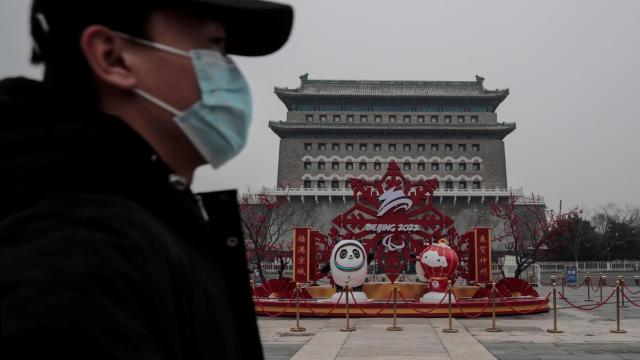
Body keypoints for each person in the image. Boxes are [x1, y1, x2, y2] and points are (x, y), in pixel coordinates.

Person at [0, 0, 293, 359]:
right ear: (113, 58)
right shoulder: (83, 256)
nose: (230, 72)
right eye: (214, 45)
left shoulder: (149, 221)